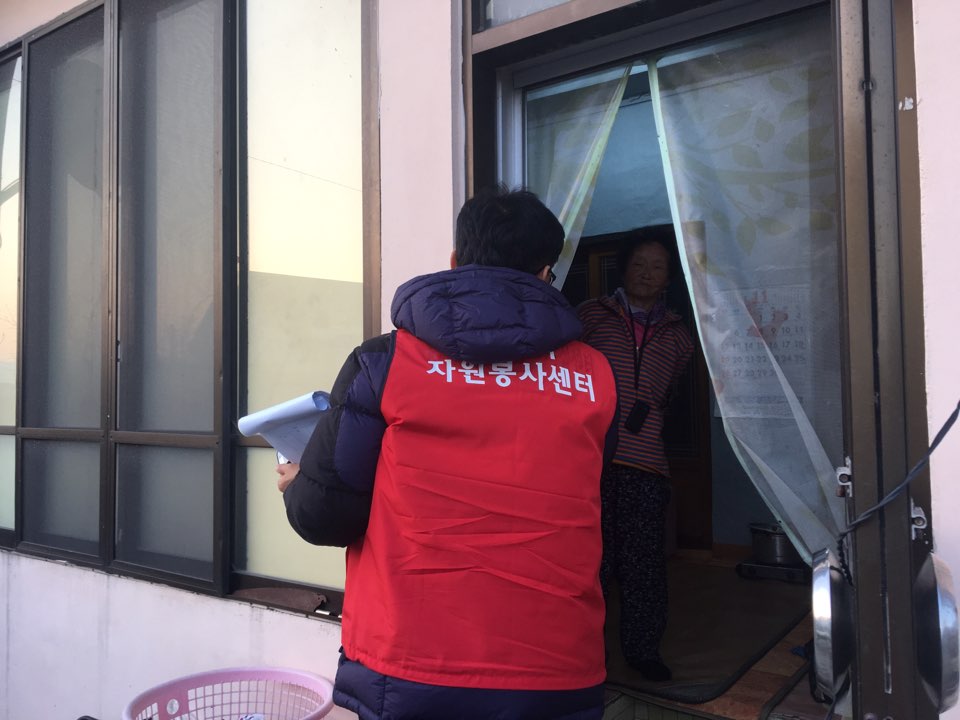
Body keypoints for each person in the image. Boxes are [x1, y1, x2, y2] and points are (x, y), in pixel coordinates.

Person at [277, 186, 619, 720]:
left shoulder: (384, 363)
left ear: (456, 261)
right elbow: (586, 487)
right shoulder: (595, 376)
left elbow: (324, 516)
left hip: (411, 664)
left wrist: (299, 481)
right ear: (546, 273)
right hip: (556, 667)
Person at [577, 230, 693, 682]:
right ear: (623, 269)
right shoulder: (591, 315)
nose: (647, 273)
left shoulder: (680, 335)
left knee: (644, 564)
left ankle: (644, 652)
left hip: (647, 464)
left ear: (669, 277)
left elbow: (670, 394)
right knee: (592, 564)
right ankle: (587, 653)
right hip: (591, 462)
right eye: (639, 264)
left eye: (657, 266)